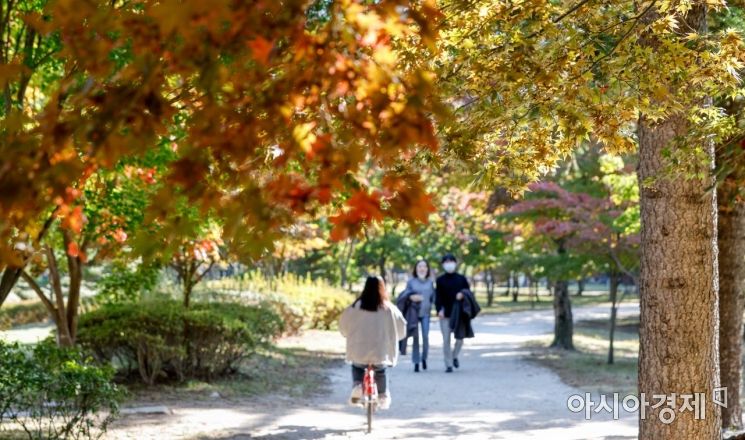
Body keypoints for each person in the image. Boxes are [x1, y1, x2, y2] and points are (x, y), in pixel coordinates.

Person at [339, 276, 407, 410]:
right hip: (381, 352)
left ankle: (358, 385)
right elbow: (401, 328)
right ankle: (383, 396)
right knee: (380, 370)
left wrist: (348, 335)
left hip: (359, 350)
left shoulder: (355, 307)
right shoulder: (389, 308)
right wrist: (395, 338)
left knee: (358, 367)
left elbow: (343, 325)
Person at [397, 260, 435, 372]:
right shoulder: (411, 282)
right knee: (416, 338)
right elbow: (405, 295)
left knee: (425, 336)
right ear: (416, 269)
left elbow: (433, 298)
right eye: (420, 266)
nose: (422, 269)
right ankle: (416, 362)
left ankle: (424, 358)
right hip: (413, 314)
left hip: (426, 314)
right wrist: (411, 297)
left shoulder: (430, 282)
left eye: (424, 266)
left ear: (427, 269)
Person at [435, 253, 470, 373]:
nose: (449, 264)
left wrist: (463, 294)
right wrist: (439, 310)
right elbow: (438, 297)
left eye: (451, 261)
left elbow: (469, 294)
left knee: (460, 339)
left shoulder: (462, 279)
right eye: (446, 262)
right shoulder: (440, 280)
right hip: (445, 314)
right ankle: (448, 364)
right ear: (443, 264)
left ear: (455, 263)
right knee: (446, 340)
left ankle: (455, 356)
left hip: (459, 314)